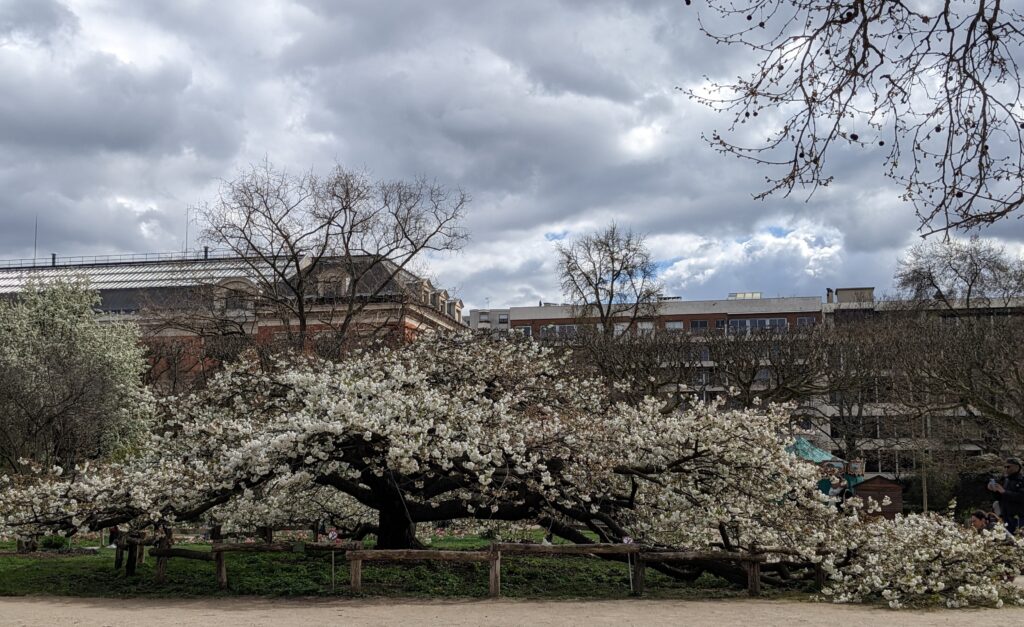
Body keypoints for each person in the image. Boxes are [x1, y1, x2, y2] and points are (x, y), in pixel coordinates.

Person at [987, 457, 1024, 534]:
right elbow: (1001, 498)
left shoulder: (1021, 480)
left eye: (1008, 467)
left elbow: (1021, 496)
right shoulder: (1006, 480)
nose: (1006, 469)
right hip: (1006, 516)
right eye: (1005, 467)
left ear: (1017, 467)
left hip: (1019, 517)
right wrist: (995, 491)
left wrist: (1004, 492)